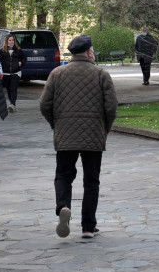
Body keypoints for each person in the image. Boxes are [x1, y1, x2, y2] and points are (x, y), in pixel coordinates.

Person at [39, 35, 117, 239]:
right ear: (90, 52)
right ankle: (88, 227)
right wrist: (104, 129)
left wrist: (56, 124)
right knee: (91, 181)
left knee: (63, 175)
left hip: (65, 135)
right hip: (93, 135)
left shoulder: (56, 73)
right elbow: (111, 107)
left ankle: (63, 206)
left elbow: (44, 104)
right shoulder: (101, 74)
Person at [0, 34, 25, 112]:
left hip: (16, 72)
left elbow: (24, 59)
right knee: (9, 89)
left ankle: (12, 104)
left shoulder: (19, 50)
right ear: (6, 41)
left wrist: (21, 63)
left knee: (13, 88)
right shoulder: (2, 51)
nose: (11, 41)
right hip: (6, 73)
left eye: (12, 40)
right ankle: (12, 104)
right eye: (9, 40)